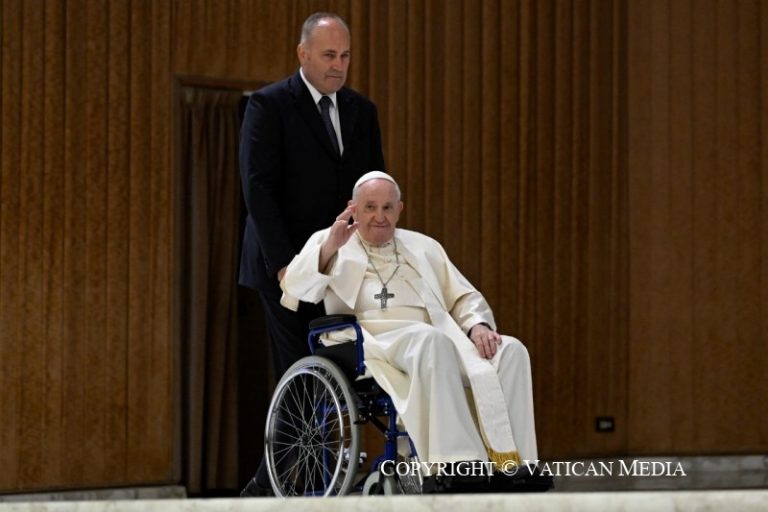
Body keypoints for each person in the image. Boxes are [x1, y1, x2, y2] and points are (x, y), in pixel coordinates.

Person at [280, 171, 541, 489]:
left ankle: (515, 466)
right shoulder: (331, 240)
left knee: (510, 350)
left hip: (436, 338)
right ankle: (456, 464)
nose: (380, 216)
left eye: (387, 207)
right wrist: (329, 247)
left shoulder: (424, 246)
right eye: (370, 207)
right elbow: (294, 287)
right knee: (431, 341)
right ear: (353, 208)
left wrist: (478, 325)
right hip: (370, 340)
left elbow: (462, 296)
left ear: (399, 209)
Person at [239, 13, 385, 496]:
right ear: (303, 54)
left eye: (345, 56)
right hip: (285, 268)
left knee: (334, 377)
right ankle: (280, 489)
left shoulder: (362, 111)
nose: (338, 65)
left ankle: (282, 488)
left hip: (341, 267)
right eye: (328, 55)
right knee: (300, 374)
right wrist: (286, 265)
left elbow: (372, 188)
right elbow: (258, 189)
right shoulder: (269, 105)